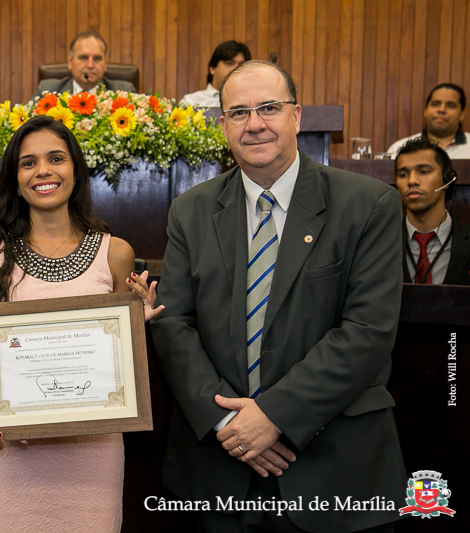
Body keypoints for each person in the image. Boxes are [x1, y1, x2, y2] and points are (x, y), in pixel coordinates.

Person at [150, 60, 407, 532]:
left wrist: (273, 415)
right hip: (219, 473)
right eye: (238, 112)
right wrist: (230, 425)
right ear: (222, 124)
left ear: (297, 116)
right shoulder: (191, 211)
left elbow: (368, 332)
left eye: (268, 107)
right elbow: (172, 324)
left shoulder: (368, 205)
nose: (254, 124)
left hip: (335, 473)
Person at [0, 115, 161, 532]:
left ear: (76, 170)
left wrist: (137, 323)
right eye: (28, 162)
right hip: (13, 452)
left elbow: (120, 364)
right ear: (15, 178)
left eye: (56, 158)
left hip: (94, 450)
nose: (44, 171)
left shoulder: (116, 253)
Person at [395, 137, 470, 285]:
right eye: (403, 174)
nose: (411, 181)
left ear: (447, 179)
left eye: (423, 171)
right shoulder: (381, 241)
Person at [34, 31, 137, 98]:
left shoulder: (124, 93)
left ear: (105, 63)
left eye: (97, 59)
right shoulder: (48, 91)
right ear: (70, 61)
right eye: (83, 58)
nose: (90, 65)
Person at [387, 83, 470, 158]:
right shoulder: (399, 148)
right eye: (435, 104)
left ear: (462, 115)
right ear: (425, 111)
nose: (441, 110)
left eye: (450, 106)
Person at [179, 40, 251, 108]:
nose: (236, 68)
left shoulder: (251, 102)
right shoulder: (191, 102)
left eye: (241, 65)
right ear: (212, 68)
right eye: (229, 63)